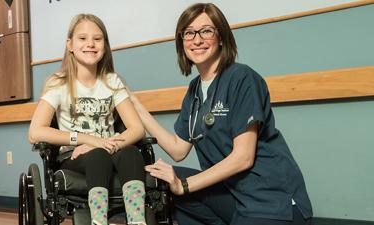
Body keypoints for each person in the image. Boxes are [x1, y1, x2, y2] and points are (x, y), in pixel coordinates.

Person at [129, 3, 313, 225]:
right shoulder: (195, 90)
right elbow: (178, 149)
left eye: (206, 31)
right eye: (189, 33)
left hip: (271, 201)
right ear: (182, 42)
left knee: (178, 185)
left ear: (221, 37)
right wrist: (135, 105)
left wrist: (184, 185)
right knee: (159, 181)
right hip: (233, 197)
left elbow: (243, 158)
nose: (197, 40)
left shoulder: (242, 78)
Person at [29, 14, 148, 225]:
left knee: (131, 153)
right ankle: (98, 221)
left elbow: (137, 129)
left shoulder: (112, 81)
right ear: (70, 45)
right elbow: (35, 132)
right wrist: (90, 141)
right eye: (83, 38)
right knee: (97, 156)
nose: (91, 44)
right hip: (76, 157)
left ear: (105, 45)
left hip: (111, 149)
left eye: (98, 39)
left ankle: (137, 221)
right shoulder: (58, 83)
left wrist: (108, 144)